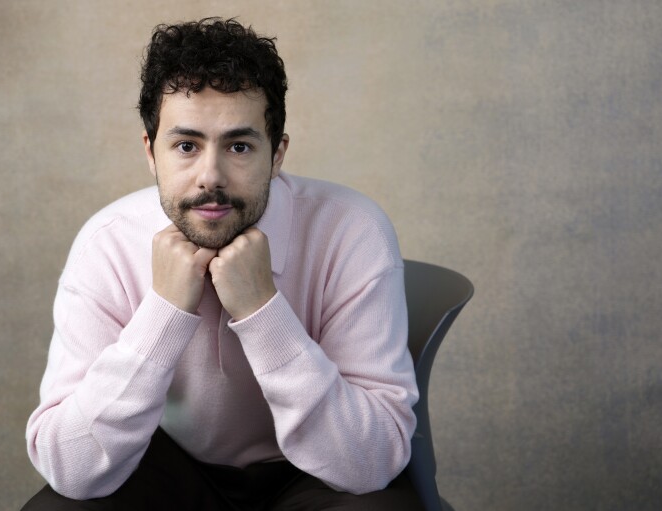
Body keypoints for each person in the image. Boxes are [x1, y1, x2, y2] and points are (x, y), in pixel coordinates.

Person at [23, 17, 422, 511]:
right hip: (166, 471)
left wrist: (263, 310)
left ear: (277, 154)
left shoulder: (353, 230)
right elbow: (71, 469)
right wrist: (164, 311)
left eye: (239, 146)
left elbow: (374, 460)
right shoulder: (105, 244)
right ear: (151, 153)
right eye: (186, 146)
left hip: (309, 477)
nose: (210, 176)